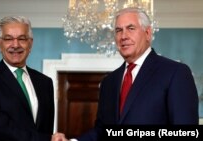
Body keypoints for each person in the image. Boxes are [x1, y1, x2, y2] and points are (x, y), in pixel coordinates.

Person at [51, 7, 199, 141]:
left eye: (130, 28)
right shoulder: (109, 82)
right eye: (118, 30)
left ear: (148, 33)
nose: (123, 36)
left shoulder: (175, 73)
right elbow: (102, 131)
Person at [0, 16, 54, 141]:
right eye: (8, 39)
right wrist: (47, 139)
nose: (15, 45)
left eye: (22, 39)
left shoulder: (45, 82)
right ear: (0, 44)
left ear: (30, 44)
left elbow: (46, 127)